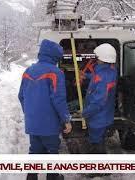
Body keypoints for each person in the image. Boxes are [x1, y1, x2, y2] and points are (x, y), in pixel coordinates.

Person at [18, 39, 72, 180]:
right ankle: (52, 177)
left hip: (32, 123)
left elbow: (21, 96)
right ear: (55, 57)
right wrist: (66, 120)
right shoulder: (55, 73)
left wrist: (30, 113)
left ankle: (31, 177)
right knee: (52, 151)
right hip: (49, 124)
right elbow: (58, 100)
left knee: (34, 151)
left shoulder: (27, 71)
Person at [81, 43, 117, 154]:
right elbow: (96, 77)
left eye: (97, 57)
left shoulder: (103, 77)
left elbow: (97, 103)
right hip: (105, 114)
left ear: (102, 58)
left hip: (98, 118)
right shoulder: (109, 70)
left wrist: (84, 113)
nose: (96, 59)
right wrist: (86, 76)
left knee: (96, 144)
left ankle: (100, 169)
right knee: (99, 140)